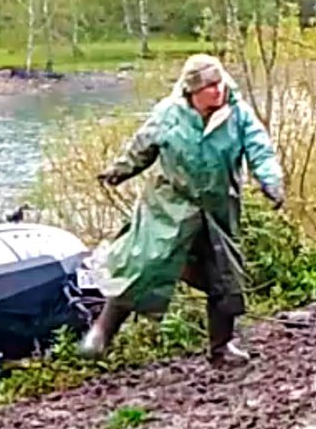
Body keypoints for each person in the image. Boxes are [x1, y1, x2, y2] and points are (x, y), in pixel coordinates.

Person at [81, 54, 286, 365]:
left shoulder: (238, 115)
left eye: (219, 83)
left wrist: (271, 180)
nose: (217, 91)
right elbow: (142, 147)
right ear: (192, 91)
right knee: (141, 266)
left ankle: (221, 347)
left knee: (225, 277)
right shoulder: (169, 114)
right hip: (168, 207)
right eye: (209, 86)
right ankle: (101, 334)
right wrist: (118, 172)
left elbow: (260, 148)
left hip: (216, 210)